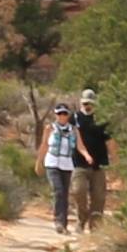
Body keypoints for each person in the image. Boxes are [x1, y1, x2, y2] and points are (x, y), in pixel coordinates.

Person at [38, 89, 104, 237]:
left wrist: (87, 155)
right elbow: (44, 145)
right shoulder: (50, 128)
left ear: (68, 115)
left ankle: (65, 224)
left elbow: (80, 145)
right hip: (52, 163)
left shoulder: (73, 129)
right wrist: (39, 161)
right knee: (59, 191)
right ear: (55, 115)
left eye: (64, 114)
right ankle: (59, 222)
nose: (62, 116)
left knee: (65, 193)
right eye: (59, 113)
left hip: (67, 165)